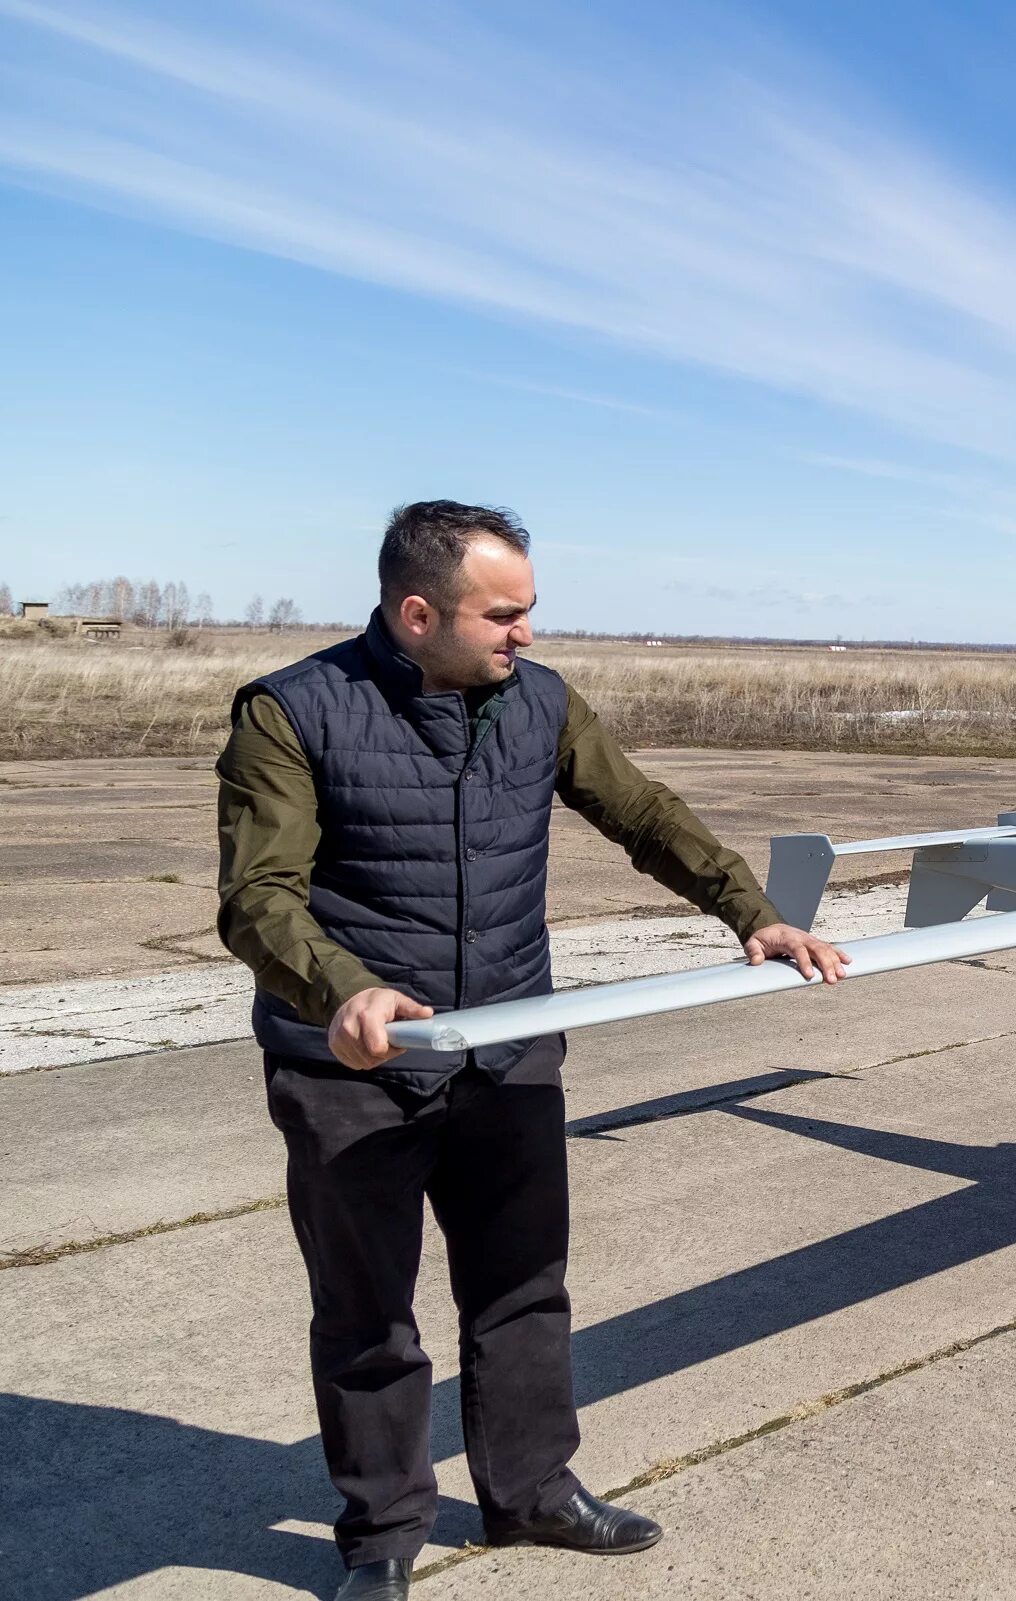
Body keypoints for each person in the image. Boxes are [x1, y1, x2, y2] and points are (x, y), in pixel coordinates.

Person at [215, 501, 850, 1601]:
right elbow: (257, 898)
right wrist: (346, 990)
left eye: (529, 612)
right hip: (353, 1069)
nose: (524, 634)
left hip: (507, 1047)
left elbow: (642, 808)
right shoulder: (293, 711)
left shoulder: (539, 700)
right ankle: (381, 1533)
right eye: (502, 614)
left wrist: (748, 908)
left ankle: (531, 1489)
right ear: (419, 612)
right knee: (368, 1309)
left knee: (523, 1285)